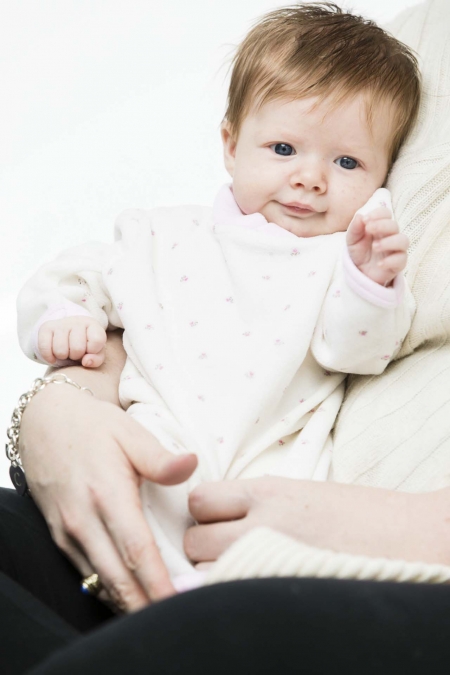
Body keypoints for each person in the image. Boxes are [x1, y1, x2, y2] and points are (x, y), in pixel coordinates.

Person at [2, 0, 450, 672]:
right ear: (230, 143)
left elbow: (354, 347)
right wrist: (61, 321)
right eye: (282, 149)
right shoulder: (163, 233)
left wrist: (372, 280)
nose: (310, 177)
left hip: (257, 502)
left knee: (182, 623)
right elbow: (73, 278)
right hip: (138, 466)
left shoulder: (336, 262)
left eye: (349, 163)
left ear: (385, 176)